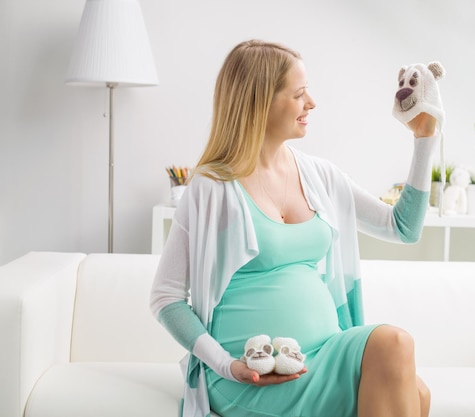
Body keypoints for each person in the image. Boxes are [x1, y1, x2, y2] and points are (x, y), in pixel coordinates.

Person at [150, 39, 440, 417]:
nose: (312, 104)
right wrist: (225, 364)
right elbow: (166, 298)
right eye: (299, 94)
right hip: (250, 375)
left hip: (323, 355)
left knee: (417, 391)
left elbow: (403, 228)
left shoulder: (320, 176)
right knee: (394, 346)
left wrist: (424, 138)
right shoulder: (211, 187)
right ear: (259, 102)